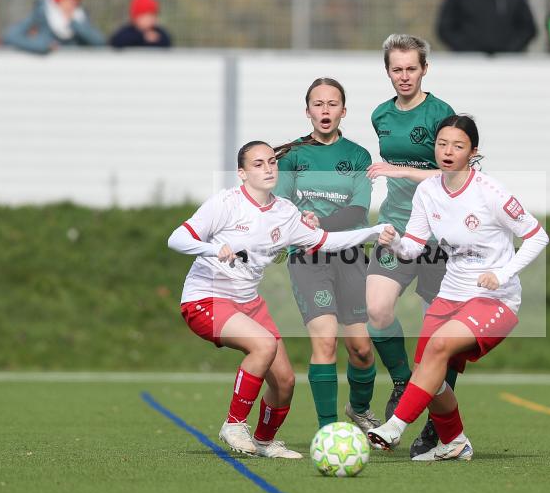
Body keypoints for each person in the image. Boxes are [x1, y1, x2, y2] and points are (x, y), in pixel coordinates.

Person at [167, 141, 387, 459]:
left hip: (248, 302)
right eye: (258, 164)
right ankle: (234, 423)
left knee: (284, 381)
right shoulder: (225, 203)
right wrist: (213, 249)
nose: (268, 168)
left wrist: (373, 232)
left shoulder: (284, 212)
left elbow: (323, 241)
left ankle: (264, 441)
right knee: (264, 345)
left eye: (272, 162)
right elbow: (177, 238)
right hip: (206, 298)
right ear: (242, 173)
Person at [367, 115, 549, 460]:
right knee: (430, 376)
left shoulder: (490, 192)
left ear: (473, 152)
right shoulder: (427, 191)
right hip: (450, 296)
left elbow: (538, 236)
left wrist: (503, 273)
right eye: (442, 144)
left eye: (458, 146)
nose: (448, 152)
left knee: (438, 346)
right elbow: (413, 248)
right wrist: (394, 243)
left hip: (494, 299)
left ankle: (394, 426)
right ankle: (454, 442)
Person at [273, 78, 382, 436]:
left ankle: (359, 409)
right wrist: (302, 227)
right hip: (308, 258)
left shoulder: (358, 156)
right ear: (307, 111)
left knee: (361, 349)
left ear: (343, 111)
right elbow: (282, 206)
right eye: (318, 104)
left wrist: (321, 223)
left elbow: (357, 211)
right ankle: (328, 431)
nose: (325, 110)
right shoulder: (292, 156)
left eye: (332, 104)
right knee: (325, 341)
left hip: (350, 256)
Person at [366, 34, 456, 458]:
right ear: (388, 71)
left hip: (439, 235)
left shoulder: (442, 114)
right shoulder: (380, 115)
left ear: (425, 69)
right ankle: (403, 379)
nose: (404, 76)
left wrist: (398, 169)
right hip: (396, 230)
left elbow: (451, 173)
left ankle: (438, 426)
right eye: (397, 69)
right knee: (377, 310)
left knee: (439, 337)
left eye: (411, 68)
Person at [3, 0, 105, 54]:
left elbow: (99, 42)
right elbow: (10, 37)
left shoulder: (80, 17)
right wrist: (42, 47)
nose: (72, 3)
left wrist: (74, 23)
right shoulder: (42, 14)